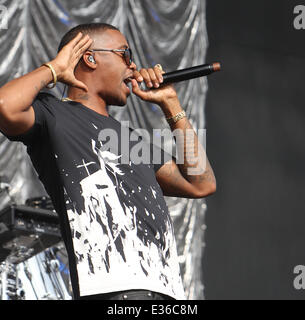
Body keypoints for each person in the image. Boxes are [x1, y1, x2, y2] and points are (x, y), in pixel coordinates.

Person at [0, 23, 216, 300]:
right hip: (109, 290)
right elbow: (5, 105)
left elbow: (201, 183)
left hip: (164, 293)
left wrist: (170, 103)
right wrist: (55, 68)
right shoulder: (52, 114)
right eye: (125, 55)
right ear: (90, 58)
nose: (133, 66)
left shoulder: (129, 140)